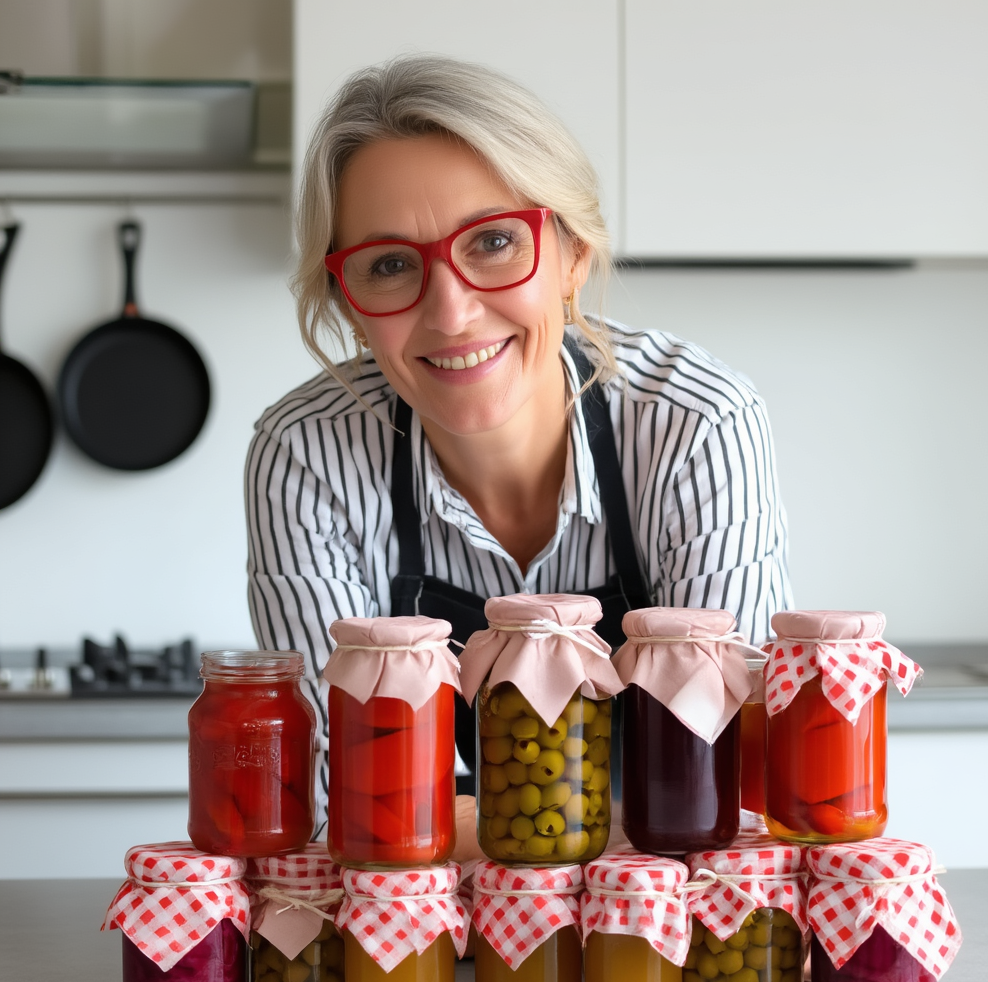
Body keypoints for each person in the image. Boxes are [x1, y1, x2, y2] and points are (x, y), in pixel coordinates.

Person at [245, 54, 792, 842]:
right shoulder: (307, 453)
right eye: (391, 265)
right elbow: (341, 800)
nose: (452, 313)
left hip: (651, 927)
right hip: (419, 935)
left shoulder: (695, 424)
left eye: (495, 242)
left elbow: (732, 767)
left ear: (572, 256)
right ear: (349, 303)